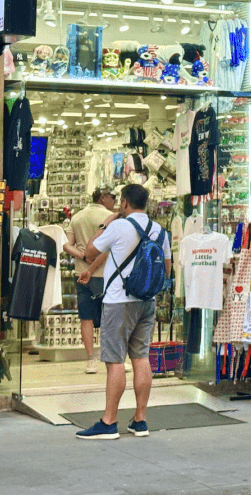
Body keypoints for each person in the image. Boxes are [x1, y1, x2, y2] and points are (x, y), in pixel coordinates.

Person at [75, 184, 172, 440]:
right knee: (140, 357)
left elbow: (89, 251)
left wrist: (106, 223)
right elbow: (167, 268)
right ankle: (140, 420)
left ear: (125, 203)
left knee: (115, 360)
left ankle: (109, 421)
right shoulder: (160, 231)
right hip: (147, 301)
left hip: (119, 301)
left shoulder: (118, 226)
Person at [64, 186, 115, 374]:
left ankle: (90, 360)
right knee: (110, 316)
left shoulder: (77, 217)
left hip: (82, 274)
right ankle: (112, 357)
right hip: (106, 274)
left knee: (86, 317)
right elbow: (109, 247)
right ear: (103, 198)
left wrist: (84, 257)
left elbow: (66, 245)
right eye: (112, 197)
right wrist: (94, 259)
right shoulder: (109, 217)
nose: (115, 201)